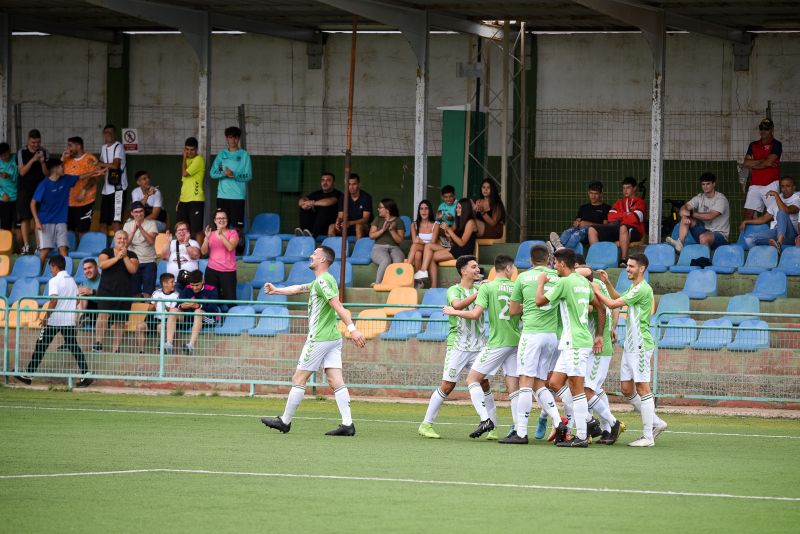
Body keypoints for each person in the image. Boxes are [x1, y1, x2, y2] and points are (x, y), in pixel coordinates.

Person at [260, 246, 366, 436]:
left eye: (315, 254)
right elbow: (299, 288)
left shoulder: (323, 281)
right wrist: (276, 290)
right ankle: (347, 425)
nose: (311, 255)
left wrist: (353, 329)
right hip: (333, 338)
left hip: (319, 338)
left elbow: (337, 305)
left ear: (323, 260)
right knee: (335, 380)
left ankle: (285, 421)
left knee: (298, 379)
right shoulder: (324, 280)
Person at [593, 254, 669, 447]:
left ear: (641, 269)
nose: (627, 269)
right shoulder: (634, 287)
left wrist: (595, 289)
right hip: (630, 345)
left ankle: (648, 436)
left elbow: (612, 304)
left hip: (640, 345)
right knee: (627, 389)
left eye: (631, 266)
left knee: (643, 387)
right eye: (627, 265)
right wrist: (607, 283)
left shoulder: (642, 289)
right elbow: (617, 298)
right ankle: (656, 422)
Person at [443, 254, 520, 440]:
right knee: (514, 388)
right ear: (508, 269)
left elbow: (475, 314)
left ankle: (486, 419)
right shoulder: (516, 286)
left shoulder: (488, 287)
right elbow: (521, 310)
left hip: (497, 342)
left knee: (472, 380)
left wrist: (454, 312)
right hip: (516, 341)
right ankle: (519, 429)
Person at [534, 247, 603, 448]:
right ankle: (589, 421)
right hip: (571, 341)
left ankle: (581, 435)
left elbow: (539, 301)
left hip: (575, 342)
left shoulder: (564, 283)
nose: (554, 266)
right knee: (555, 382)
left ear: (563, 264)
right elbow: (600, 307)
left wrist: (541, 282)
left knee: (577, 388)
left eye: (555, 263)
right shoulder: (583, 282)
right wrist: (598, 334)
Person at [418, 255, 487, 439]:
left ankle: (491, 425)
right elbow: (457, 305)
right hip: (458, 345)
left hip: (479, 345)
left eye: (478, 266)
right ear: (463, 271)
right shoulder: (453, 290)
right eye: (474, 267)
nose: (477, 269)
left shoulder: (481, 288)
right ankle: (426, 424)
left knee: (484, 383)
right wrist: (479, 293)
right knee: (448, 385)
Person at [501, 244, 563, 445]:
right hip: (551, 336)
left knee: (525, 382)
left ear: (530, 260)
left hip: (532, 335)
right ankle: (558, 421)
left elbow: (512, 311)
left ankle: (521, 432)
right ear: (549, 260)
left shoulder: (523, 277)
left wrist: (525, 306)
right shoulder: (557, 277)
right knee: (539, 383)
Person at [14, 255, 93, 388]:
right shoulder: (72, 281)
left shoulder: (54, 281)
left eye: (50, 268)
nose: (50, 270)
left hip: (54, 320)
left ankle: (28, 375)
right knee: (74, 347)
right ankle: (86, 374)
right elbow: (77, 300)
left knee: (41, 345)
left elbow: (54, 300)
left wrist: (46, 317)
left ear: (54, 266)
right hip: (68, 320)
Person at [576, 265, 624, 445]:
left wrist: (603, 333)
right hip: (595, 345)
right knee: (595, 389)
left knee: (587, 390)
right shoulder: (597, 283)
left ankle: (613, 423)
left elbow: (600, 307)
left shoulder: (590, 286)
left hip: (599, 348)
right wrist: (613, 326)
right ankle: (606, 429)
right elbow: (615, 304)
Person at [415, 198, 477, 288]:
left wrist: (449, 230)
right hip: (456, 248)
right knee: (429, 246)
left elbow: (462, 243)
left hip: (464, 251)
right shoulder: (458, 220)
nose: (457, 209)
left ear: (465, 209)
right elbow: (454, 239)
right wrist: (448, 235)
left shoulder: (470, 222)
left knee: (431, 255)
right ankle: (424, 273)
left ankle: (432, 284)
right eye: (457, 207)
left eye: (459, 208)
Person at [94, 230, 139, 354]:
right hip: (106, 291)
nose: (122, 240)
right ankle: (98, 343)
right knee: (103, 316)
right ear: (114, 239)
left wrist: (124, 256)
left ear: (127, 241)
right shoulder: (106, 252)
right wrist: (117, 257)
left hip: (124, 292)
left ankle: (116, 348)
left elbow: (133, 269)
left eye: (124, 238)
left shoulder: (132, 255)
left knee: (120, 321)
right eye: (119, 238)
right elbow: (102, 265)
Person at [31, 158, 81, 263]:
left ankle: (65, 272)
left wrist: (96, 172)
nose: (64, 168)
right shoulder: (44, 184)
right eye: (61, 166)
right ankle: (38, 271)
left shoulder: (66, 179)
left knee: (63, 249)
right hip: (45, 221)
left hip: (61, 220)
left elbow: (81, 176)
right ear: (55, 169)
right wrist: (37, 221)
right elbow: (32, 204)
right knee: (45, 251)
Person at [588, 176, 646, 267]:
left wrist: (620, 216)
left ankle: (623, 260)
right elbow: (611, 217)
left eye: (628, 188)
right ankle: (598, 259)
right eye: (624, 188)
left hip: (635, 231)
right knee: (592, 230)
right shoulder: (619, 202)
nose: (625, 190)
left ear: (634, 188)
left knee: (623, 227)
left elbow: (637, 218)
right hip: (616, 228)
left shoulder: (640, 202)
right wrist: (627, 214)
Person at [665, 173, 730, 252]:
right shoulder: (700, 197)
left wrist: (691, 214)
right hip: (703, 230)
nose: (705, 187)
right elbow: (685, 207)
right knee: (685, 218)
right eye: (703, 184)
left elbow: (710, 216)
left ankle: (705, 258)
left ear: (714, 184)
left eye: (708, 184)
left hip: (720, 236)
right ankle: (680, 243)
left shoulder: (721, 199)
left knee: (703, 237)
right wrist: (684, 215)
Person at [210, 126, 252, 239]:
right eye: (230, 137)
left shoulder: (244, 155)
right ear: (227, 139)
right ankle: (222, 246)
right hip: (222, 196)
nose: (232, 140)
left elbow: (248, 175)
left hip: (238, 196)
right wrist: (224, 173)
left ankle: (237, 247)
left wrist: (234, 174)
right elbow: (213, 173)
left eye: (235, 138)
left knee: (238, 227)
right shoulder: (222, 155)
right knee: (221, 225)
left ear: (238, 139)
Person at [739, 175, 800, 253]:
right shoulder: (778, 198)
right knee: (750, 239)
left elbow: (786, 210)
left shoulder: (797, 198)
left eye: (788, 186)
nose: (785, 189)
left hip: (791, 235)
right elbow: (764, 218)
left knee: (781, 213)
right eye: (782, 186)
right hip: (776, 231)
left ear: (794, 187)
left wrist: (776, 195)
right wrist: (746, 221)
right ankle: (766, 255)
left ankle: (779, 243)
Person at [549, 181, 610, 252]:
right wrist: (576, 223)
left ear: (601, 194)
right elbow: (577, 221)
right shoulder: (583, 207)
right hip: (579, 229)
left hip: (592, 233)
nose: (593, 196)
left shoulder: (606, 208)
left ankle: (559, 251)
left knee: (576, 235)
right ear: (588, 193)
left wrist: (589, 224)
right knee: (567, 232)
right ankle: (558, 249)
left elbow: (605, 227)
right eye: (591, 193)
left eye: (596, 194)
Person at [16, 129, 49, 254]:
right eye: (33, 142)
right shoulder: (21, 152)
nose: (36, 145)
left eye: (38, 142)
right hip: (24, 190)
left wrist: (42, 163)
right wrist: (33, 159)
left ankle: (39, 246)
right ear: (28, 140)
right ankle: (26, 246)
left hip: (40, 190)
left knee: (38, 218)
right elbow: (22, 172)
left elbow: (47, 174)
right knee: (25, 218)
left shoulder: (44, 152)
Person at [173, 269, 221, 354]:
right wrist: (181, 306)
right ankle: (168, 344)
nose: (194, 288)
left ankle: (191, 345)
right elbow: (178, 304)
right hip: (191, 318)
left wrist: (199, 306)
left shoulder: (212, 290)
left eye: (197, 285)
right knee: (173, 310)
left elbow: (213, 308)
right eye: (192, 285)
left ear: (202, 281)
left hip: (210, 320)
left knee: (198, 312)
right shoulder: (187, 288)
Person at [742, 118, 781, 221]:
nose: (763, 131)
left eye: (766, 129)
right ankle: (746, 232)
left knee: (773, 214)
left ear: (772, 129)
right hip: (755, 183)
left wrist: (754, 164)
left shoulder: (776, 144)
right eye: (761, 128)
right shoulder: (753, 144)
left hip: (771, 183)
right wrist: (763, 160)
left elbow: (768, 162)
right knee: (748, 213)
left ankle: (775, 232)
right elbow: (746, 163)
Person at [63, 136, 100, 239]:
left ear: (78, 146)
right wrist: (62, 159)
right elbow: (58, 175)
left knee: (82, 230)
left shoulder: (90, 159)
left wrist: (84, 190)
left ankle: (83, 249)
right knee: (69, 231)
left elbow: (95, 178)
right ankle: (72, 250)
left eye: (70, 146)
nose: (68, 148)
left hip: (85, 202)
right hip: (68, 202)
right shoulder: (67, 160)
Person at [200, 210, 239, 307]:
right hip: (212, 270)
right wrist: (206, 238)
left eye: (224, 218)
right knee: (210, 300)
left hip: (228, 271)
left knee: (231, 301)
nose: (221, 220)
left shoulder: (233, 233)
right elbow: (203, 252)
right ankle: (213, 316)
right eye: (219, 218)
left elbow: (230, 247)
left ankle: (232, 316)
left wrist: (221, 234)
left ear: (227, 220)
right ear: (215, 220)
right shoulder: (211, 233)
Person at [136, 272, 179, 353]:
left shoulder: (176, 295)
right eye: (172, 282)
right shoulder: (156, 293)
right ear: (164, 283)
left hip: (167, 320)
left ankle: (165, 349)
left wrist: (164, 305)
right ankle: (141, 352)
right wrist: (153, 305)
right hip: (154, 319)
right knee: (140, 326)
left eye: (174, 282)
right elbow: (150, 309)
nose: (174, 284)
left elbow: (173, 311)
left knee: (160, 327)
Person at [123, 201, 158, 298]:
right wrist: (133, 231)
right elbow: (125, 245)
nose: (139, 214)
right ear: (131, 213)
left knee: (148, 293)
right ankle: (137, 309)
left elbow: (151, 241)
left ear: (144, 211)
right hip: (133, 262)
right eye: (136, 212)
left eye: (141, 211)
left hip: (149, 261)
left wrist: (140, 227)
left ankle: (147, 309)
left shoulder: (151, 223)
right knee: (135, 293)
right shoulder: (127, 225)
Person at [97, 124, 128, 234]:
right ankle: (103, 244)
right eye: (106, 132)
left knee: (116, 222)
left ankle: (118, 244)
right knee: (103, 223)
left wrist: (99, 164)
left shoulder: (118, 146)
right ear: (103, 135)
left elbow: (115, 165)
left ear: (115, 134)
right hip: (106, 190)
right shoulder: (103, 148)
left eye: (111, 132)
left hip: (118, 189)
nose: (109, 134)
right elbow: (101, 165)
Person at [369, 198, 405, 285]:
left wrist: (392, 230)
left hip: (394, 247)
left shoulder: (399, 221)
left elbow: (399, 240)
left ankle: (395, 284)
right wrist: (383, 230)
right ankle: (378, 283)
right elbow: (371, 236)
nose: (378, 209)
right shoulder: (378, 219)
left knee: (398, 260)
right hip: (379, 247)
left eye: (380, 207)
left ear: (387, 210)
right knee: (385, 260)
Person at [177, 137, 206, 244]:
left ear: (196, 149)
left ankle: (200, 252)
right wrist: (179, 200)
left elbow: (184, 173)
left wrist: (184, 157)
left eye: (192, 150)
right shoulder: (186, 162)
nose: (189, 152)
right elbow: (184, 184)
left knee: (197, 229)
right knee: (182, 228)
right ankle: (184, 251)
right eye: (187, 149)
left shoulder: (199, 159)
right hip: (183, 200)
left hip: (195, 199)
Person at [297, 171, 342, 237]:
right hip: (315, 224)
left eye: (328, 180)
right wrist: (304, 204)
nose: (325, 182)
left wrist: (312, 203)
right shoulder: (317, 193)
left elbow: (329, 201)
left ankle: (313, 235)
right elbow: (301, 200)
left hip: (329, 226)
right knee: (304, 208)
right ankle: (305, 232)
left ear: (334, 183)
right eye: (323, 180)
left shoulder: (338, 194)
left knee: (324, 208)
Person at [328, 173, 372, 240]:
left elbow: (365, 219)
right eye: (349, 184)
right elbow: (340, 216)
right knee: (331, 227)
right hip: (347, 225)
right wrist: (338, 221)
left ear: (359, 185)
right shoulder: (343, 197)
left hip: (362, 226)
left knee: (358, 226)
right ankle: (332, 247)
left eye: (354, 184)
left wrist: (350, 223)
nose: (351, 187)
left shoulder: (366, 197)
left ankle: (357, 247)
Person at [162, 221, 201, 290]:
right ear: (176, 233)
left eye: (184, 229)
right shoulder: (171, 243)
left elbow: (195, 255)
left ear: (188, 232)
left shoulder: (193, 242)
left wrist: (186, 243)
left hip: (190, 281)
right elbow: (165, 256)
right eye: (179, 230)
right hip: (173, 281)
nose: (181, 232)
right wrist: (167, 242)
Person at [405, 199, 436, 272]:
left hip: (430, 250)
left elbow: (433, 243)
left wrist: (421, 242)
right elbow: (414, 241)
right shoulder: (414, 224)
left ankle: (406, 270)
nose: (424, 211)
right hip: (419, 249)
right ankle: (419, 278)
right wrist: (420, 242)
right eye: (421, 209)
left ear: (430, 210)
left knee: (415, 246)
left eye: (426, 208)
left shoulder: (435, 224)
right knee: (417, 254)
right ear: (419, 211)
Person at [76, 258, 101, 326]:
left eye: (90, 268)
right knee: (81, 294)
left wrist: (92, 291)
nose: (87, 271)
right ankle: (82, 317)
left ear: (96, 267)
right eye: (85, 269)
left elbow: (108, 295)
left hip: (102, 312)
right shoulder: (84, 283)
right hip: (88, 313)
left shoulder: (104, 280)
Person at [0, 142, 19, 231]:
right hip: (4, 199)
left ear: (9, 151)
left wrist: (9, 176)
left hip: (16, 198)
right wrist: (2, 193)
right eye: (1, 156)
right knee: (5, 226)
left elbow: (18, 178)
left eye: (5, 155)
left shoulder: (16, 160)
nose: (4, 158)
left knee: (18, 226)